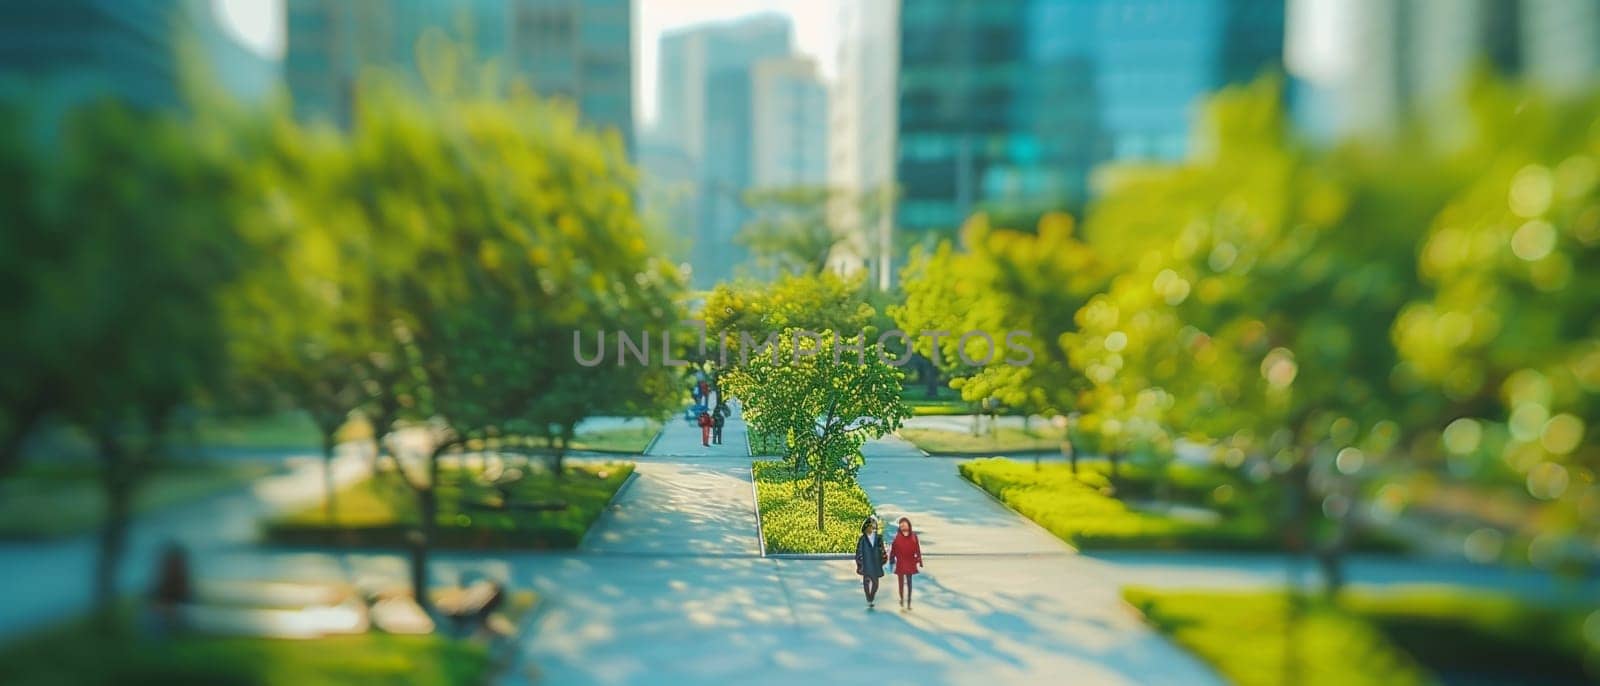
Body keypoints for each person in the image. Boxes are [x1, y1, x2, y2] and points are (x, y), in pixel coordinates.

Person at [890, 516, 923, 610]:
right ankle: (901, 598)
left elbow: (917, 549)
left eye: (904, 524)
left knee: (909, 582)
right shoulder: (897, 537)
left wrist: (919, 560)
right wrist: (891, 559)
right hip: (900, 562)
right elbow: (893, 549)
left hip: (910, 562)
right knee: (900, 583)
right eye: (901, 525)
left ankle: (908, 601)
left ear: (909, 525)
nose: (903, 526)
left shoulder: (914, 536)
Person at [855, 516, 887, 608]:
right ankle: (868, 599)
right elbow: (859, 551)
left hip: (875, 563)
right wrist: (860, 561)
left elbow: (882, 550)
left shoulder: (878, 538)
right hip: (866, 563)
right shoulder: (862, 539)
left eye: (873, 527)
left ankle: (871, 596)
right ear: (865, 527)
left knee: (875, 583)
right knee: (866, 581)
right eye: (869, 526)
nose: (871, 529)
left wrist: (883, 558)